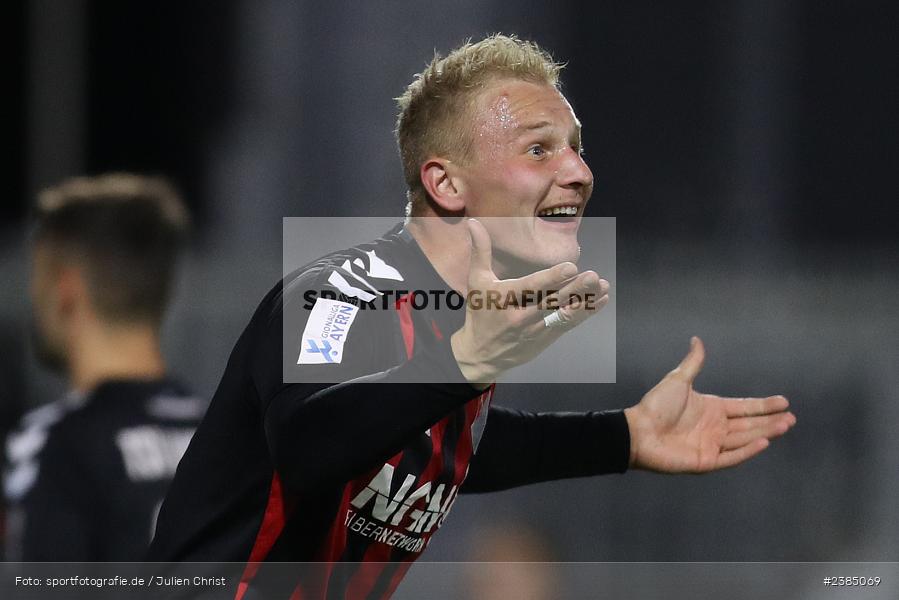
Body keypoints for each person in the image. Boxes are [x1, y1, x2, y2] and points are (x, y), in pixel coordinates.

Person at [147, 35, 796, 598]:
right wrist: (462, 365)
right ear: (446, 184)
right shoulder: (344, 292)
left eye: (575, 147)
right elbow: (309, 438)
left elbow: (442, 445)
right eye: (539, 150)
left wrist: (623, 436)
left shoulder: (446, 331)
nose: (578, 171)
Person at [3, 173, 204, 561]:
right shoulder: (218, 437)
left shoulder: (57, 445)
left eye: (37, 278)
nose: (32, 295)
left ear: (66, 290)